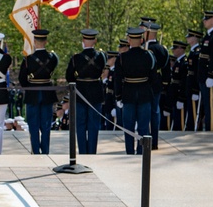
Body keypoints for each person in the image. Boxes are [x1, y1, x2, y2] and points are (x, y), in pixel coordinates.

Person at [114, 27, 156, 155]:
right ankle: (142, 152)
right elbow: (154, 77)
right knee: (143, 127)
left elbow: (117, 79)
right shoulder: (149, 55)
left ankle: (129, 152)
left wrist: (118, 96)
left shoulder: (122, 57)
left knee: (129, 127)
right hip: (144, 93)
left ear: (129, 40)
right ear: (142, 40)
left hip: (128, 94)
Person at [65, 28, 106, 153]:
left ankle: (83, 151)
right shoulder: (101, 56)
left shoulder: (76, 58)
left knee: (81, 125)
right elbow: (102, 71)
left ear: (83, 40)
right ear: (95, 40)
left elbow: (69, 76)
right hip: (95, 93)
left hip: (80, 93)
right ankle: (92, 151)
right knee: (93, 125)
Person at [18, 28, 58, 155]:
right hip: (47, 92)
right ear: (46, 41)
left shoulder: (28, 60)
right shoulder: (53, 58)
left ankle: (35, 150)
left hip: (33, 93)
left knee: (33, 125)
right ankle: (45, 150)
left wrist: (28, 86)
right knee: (46, 125)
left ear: (34, 42)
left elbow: (21, 78)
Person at [144, 22, 170, 149]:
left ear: (148, 32)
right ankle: (154, 142)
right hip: (157, 85)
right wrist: (164, 83)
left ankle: (147, 140)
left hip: (145, 84)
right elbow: (166, 70)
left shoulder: (145, 49)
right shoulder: (162, 49)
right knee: (155, 112)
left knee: (146, 112)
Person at [169, 40, 189, 131]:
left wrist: (181, 98)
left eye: (175, 48)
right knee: (176, 119)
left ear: (181, 49)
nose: (173, 51)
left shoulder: (184, 63)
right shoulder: (178, 62)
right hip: (175, 95)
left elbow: (184, 82)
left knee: (180, 122)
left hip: (179, 95)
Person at [185, 29, 203, 130]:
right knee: (191, 113)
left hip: (194, 88)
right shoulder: (192, 52)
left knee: (195, 113)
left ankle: (195, 129)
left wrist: (196, 90)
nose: (187, 38)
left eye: (189, 36)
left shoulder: (197, 52)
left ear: (195, 38)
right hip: (190, 87)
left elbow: (197, 73)